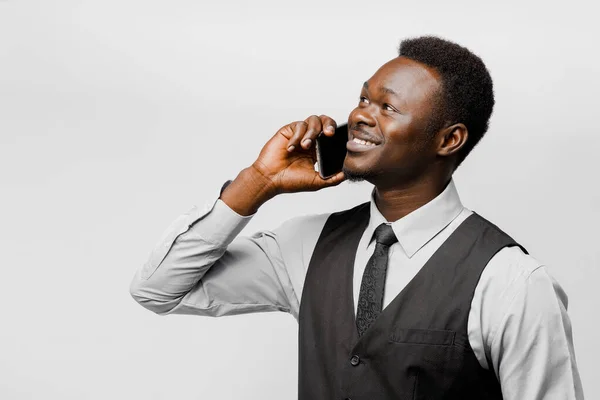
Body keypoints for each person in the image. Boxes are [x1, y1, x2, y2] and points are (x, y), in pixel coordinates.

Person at [129, 36, 583, 399]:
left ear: (449, 139)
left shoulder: (512, 282)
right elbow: (158, 289)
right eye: (363, 99)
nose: (359, 116)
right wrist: (259, 182)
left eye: (386, 107)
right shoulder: (305, 244)